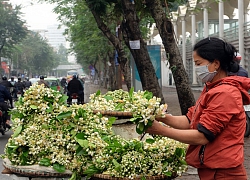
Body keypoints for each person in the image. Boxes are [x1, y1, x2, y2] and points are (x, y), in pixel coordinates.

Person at [146, 37, 249, 179]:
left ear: (216, 64)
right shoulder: (212, 88)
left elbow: (202, 136)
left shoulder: (225, 93)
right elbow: (190, 119)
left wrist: (162, 130)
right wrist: (160, 116)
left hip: (224, 173)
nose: (196, 69)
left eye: (199, 63)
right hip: (212, 169)